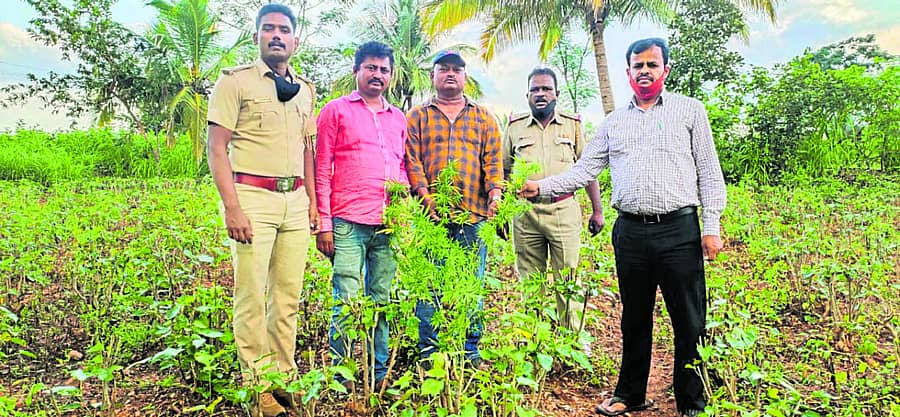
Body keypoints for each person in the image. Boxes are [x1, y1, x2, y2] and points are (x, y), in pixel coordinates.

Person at [519, 38, 726, 417]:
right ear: (628, 73)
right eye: (637, 65)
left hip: (680, 231)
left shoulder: (689, 111)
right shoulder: (614, 122)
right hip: (630, 233)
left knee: (689, 319)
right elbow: (584, 171)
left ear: (666, 70)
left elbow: (710, 174)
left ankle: (691, 401)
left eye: (651, 64)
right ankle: (630, 393)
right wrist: (542, 188)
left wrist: (710, 226)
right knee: (634, 317)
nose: (644, 71)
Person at [206, 4, 317, 416]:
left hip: (296, 202)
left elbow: (308, 149)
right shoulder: (234, 83)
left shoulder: (305, 89)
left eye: (284, 30)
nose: (276, 35)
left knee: (287, 297)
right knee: (251, 295)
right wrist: (231, 208)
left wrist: (313, 204)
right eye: (268, 29)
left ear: (295, 40)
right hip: (253, 198)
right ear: (256, 36)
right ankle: (257, 388)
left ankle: (283, 378)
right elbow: (216, 148)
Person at [315, 41, 409, 392]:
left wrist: (401, 214)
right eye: (371, 67)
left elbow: (401, 169)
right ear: (356, 71)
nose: (378, 75)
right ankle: (341, 374)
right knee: (347, 299)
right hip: (347, 221)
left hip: (387, 224)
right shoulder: (335, 111)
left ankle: (378, 370)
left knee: (381, 299)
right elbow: (322, 167)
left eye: (384, 69)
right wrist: (323, 223)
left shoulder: (398, 117)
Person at [405, 50, 503, 368]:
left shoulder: (484, 117)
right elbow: (412, 160)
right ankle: (429, 352)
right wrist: (424, 194)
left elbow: (493, 162)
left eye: (456, 70)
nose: (450, 74)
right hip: (430, 216)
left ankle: (469, 350)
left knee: (470, 283)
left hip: (473, 216)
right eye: (443, 69)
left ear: (464, 77)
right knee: (428, 284)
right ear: (433, 76)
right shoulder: (417, 116)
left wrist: (496, 195)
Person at [504, 67, 604, 347]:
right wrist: (502, 212)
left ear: (556, 94)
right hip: (525, 215)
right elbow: (503, 171)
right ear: (527, 95)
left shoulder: (572, 125)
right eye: (535, 89)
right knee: (531, 280)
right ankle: (534, 342)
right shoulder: (514, 127)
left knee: (568, 278)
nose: (540, 94)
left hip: (564, 211)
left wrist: (597, 211)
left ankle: (570, 342)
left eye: (546, 89)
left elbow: (588, 169)